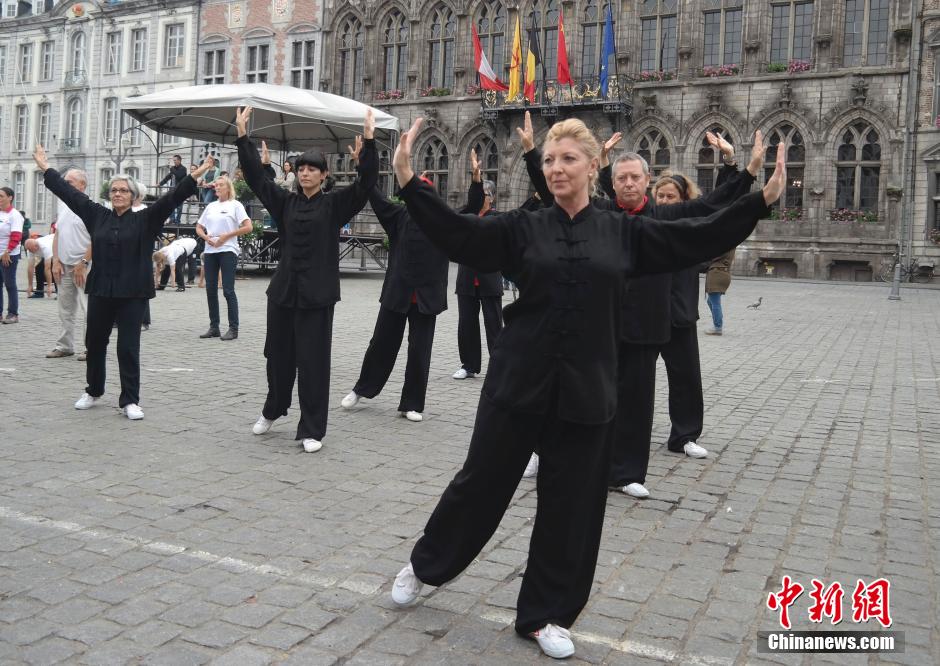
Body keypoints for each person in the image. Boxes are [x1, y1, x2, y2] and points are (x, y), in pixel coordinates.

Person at [386, 116, 786, 660]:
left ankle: (545, 614)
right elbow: (461, 235)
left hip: (588, 389)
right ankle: (425, 565)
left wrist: (759, 201)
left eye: (568, 159)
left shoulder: (624, 232)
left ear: (592, 166)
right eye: (550, 160)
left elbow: (694, 235)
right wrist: (410, 183)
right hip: (518, 381)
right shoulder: (523, 227)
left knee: (572, 506)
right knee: (479, 485)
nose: (556, 168)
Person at [33, 143, 213, 419]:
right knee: (95, 342)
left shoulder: (146, 219)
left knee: (128, 347)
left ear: (133, 196)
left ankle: (130, 399)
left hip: (132, 292)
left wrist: (194, 176)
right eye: (114, 190)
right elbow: (69, 194)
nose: (118, 194)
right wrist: (46, 167)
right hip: (101, 290)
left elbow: (172, 198)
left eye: (123, 190)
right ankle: (93, 390)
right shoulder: (97, 215)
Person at [235, 106, 377, 453]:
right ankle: (273, 409)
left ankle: (312, 428)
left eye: (312, 169)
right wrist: (242, 138)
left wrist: (369, 146)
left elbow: (366, 185)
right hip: (283, 292)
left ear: (324, 175)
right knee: (277, 356)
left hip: (317, 296)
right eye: (301, 168)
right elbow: (257, 180)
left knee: (313, 363)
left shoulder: (335, 204)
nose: (305, 173)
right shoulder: (285, 202)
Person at [341, 151, 481, 423]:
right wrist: (363, 164)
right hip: (398, 292)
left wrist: (476, 180)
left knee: (419, 352)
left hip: (427, 297)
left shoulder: (443, 220)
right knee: (381, 344)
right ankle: (362, 389)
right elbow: (373, 193)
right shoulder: (398, 215)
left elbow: (472, 209)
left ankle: (412, 403)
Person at [452, 178, 503, 381]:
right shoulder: (466, 216)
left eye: (485, 194)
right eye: (478, 194)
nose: (481, 198)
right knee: (466, 325)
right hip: (466, 279)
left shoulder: (497, 219)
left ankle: (499, 366)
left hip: (489, 279)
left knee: (494, 325)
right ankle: (469, 365)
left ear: (492, 198)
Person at [195, 174, 252, 340]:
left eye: (221, 185)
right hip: (210, 250)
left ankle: (233, 328)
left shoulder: (235, 205)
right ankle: (214, 327)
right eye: (216, 185)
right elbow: (199, 227)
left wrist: (226, 236)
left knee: (228, 290)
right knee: (210, 289)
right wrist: (206, 237)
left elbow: (248, 227)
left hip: (228, 249)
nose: (217, 187)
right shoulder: (211, 206)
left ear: (228, 188)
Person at [49, 169, 92, 360]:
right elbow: (58, 234)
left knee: (88, 308)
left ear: (82, 185)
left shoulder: (90, 207)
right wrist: (56, 260)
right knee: (65, 308)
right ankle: (65, 346)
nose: (65, 185)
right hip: (64, 265)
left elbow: (96, 239)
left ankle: (91, 348)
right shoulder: (64, 205)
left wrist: (83, 262)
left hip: (84, 266)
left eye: (70, 182)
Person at [0, 187, 24, 324]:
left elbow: (16, 236)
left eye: (1, 196)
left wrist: (7, 251)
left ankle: (13, 314)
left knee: (9, 284)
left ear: (10, 197)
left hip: (9, 255)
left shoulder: (15, 215)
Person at [705, 250, 734, 335]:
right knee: (711, 301)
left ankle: (718, 327)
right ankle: (717, 323)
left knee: (715, 303)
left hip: (717, 274)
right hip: (725, 273)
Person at [158, 154, 189, 224]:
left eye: (175, 160)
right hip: (172, 190)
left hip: (180, 190)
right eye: (173, 160)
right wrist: (160, 184)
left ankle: (177, 221)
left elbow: (179, 175)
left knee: (179, 207)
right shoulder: (173, 169)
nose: (174, 162)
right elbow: (168, 177)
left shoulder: (183, 169)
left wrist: (172, 169)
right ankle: (172, 219)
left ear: (179, 160)